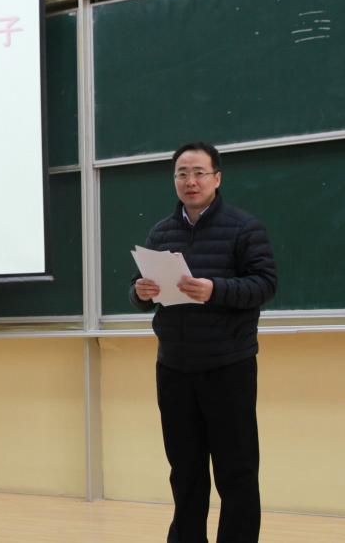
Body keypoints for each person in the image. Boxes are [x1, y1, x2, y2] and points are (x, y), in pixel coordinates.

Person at [130, 141, 277, 543]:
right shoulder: (161, 231)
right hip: (174, 368)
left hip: (228, 365)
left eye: (198, 173)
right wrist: (140, 292)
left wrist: (215, 290)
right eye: (182, 173)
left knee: (236, 471)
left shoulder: (244, 228)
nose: (190, 181)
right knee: (185, 471)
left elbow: (265, 284)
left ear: (217, 178)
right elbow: (142, 291)